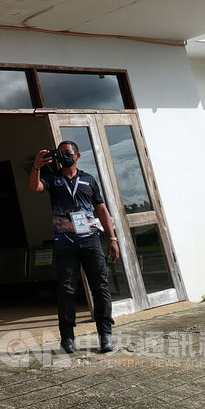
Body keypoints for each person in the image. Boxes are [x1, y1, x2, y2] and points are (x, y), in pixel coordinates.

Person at [29, 141, 120, 354]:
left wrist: (112, 238)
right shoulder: (53, 178)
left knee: (100, 286)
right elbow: (35, 187)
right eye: (60, 154)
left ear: (77, 156)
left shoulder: (89, 180)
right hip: (65, 243)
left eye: (68, 153)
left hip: (90, 240)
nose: (64, 157)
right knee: (67, 289)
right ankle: (67, 338)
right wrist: (36, 166)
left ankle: (105, 335)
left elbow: (102, 210)